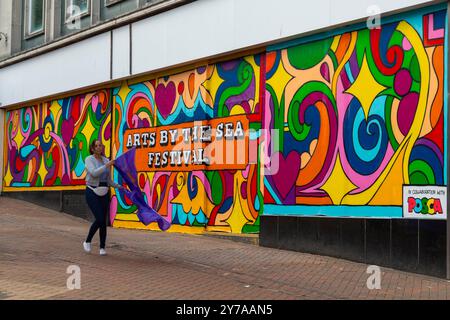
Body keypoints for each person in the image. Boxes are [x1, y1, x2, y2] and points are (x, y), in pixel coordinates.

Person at [83, 139, 123, 256]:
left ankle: (102, 247)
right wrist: (107, 165)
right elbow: (94, 173)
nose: (100, 147)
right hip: (92, 191)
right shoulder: (89, 159)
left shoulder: (105, 160)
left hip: (104, 192)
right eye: (97, 145)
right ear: (93, 148)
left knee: (103, 221)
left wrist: (119, 187)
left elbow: (108, 180)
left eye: (101, 145)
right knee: (99, 218)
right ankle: (87, 241)